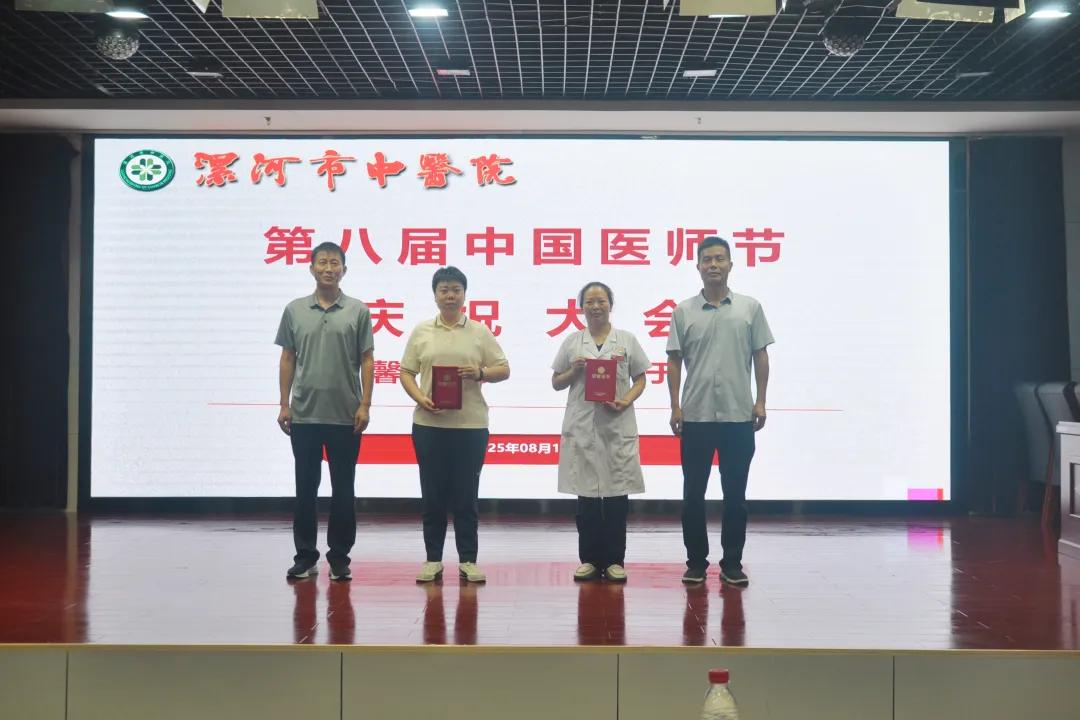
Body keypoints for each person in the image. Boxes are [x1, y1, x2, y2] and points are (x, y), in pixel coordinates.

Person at [667, 236, 773, 587]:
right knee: (692, 496)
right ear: (697, 266)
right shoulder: (683, 311)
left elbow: (760, 355)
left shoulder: (750, 308)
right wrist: (675, 405)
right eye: (707, 259)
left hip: (738, 415)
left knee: (735, 497)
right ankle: (696, 563)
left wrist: (761, 400)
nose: (713, 265)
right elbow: (674, 361)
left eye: (719, 259)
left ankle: (732, 563)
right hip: (695, 416)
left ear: (730, 265)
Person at [399, 266, 510, 584]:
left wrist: (480, 373)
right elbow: (406, 372)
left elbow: (503, 369)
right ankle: (433, 559)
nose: (450, 295)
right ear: (435, 295)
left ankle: (468, 560)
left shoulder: (479, 332)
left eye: (456, 290)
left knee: (466, 496)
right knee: (432, 495)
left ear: (464, 294)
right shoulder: (422, 331)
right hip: (429, 424)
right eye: (444, 290)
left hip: (470, 426)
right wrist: (420, 398)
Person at [276, 241, 374, 582]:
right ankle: (305, 556)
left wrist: (365, 404)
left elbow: (367, 360)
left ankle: (340, 557)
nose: (328, 268)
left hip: (346, 415)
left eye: (335, 263)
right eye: (322, 262)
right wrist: (284, 403)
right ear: (312, 268)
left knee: (344, 491)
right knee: (305, 489)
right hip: (304, 414)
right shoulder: (294, 310)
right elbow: (287, 358)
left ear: (344, 270)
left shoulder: (358, 311)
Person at [552, 282, 648, 583]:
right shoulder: (572, 342)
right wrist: (574, 371)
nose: (595, 307)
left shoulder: (626, 340)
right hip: (582, 428)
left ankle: (615, 561)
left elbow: (641, 379)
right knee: (587, 499)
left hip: (616, 425)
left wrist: (626, 400)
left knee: (617, 497)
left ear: (610, 304)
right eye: (590, 302)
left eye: (601, 301)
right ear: (581, 307)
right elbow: (556, 382)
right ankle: (590, 560)